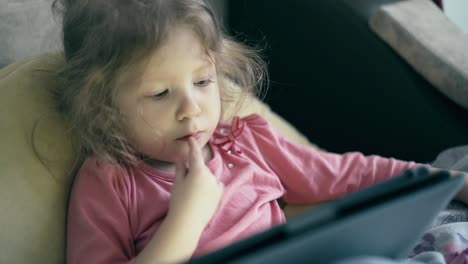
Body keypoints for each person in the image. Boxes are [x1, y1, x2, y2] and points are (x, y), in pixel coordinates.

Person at [50, 0, 468, 263]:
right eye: (159, 93)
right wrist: (187, 217)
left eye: (202, 82)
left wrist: (446, 182)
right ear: (103, 111)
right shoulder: (108, 181)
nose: (191, 108)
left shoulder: (244, 140)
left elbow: (343, 173)